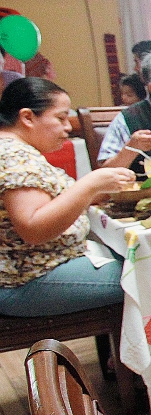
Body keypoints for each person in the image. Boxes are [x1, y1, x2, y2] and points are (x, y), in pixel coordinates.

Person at [0, 78, 135, 316]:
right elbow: (34, 229)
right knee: (147, 277)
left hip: (45, 266)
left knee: (138, 261)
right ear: (27, 118)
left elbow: (63, 202)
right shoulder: (13, 155)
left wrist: (95, 187)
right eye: (60, 118)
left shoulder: (18, 150)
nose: (68, 127)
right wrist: (89, 183)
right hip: (26, 280)